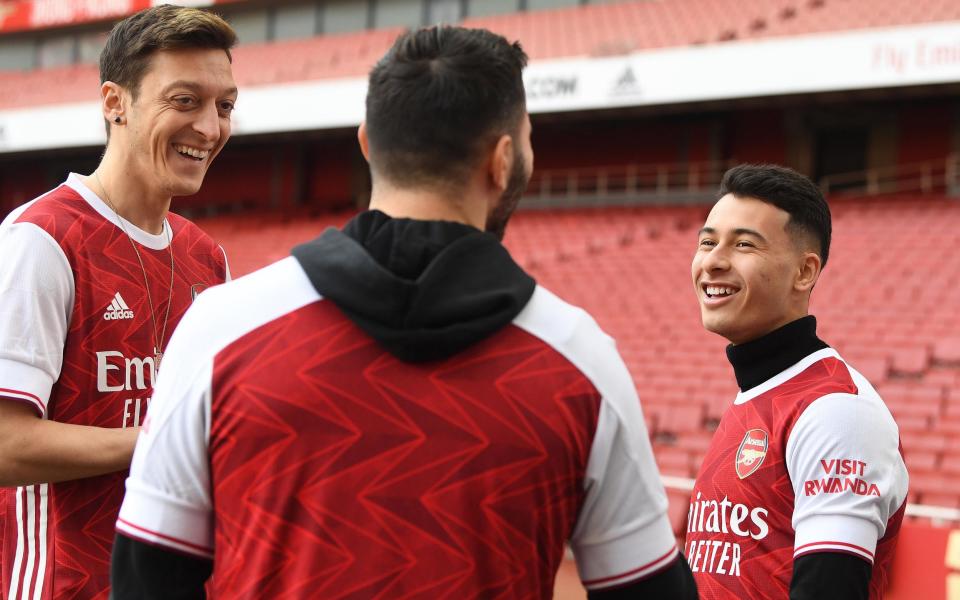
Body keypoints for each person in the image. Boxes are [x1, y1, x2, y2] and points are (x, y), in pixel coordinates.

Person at [111, 25, 697, 599]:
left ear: (367, 143)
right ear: (502, 161)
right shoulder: (583, 359)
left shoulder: (222, 327)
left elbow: (146, 575)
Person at [0, 5, 237, 598]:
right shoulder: (41, 239)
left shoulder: (208, 258)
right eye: (184, 101)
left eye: (224, 106)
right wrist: (167, 439)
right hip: (61, 584)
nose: (209, 128)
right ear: (115, 102)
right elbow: (6, 443)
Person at [686, 164, 908, 599]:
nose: (713, 261)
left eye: (744, 244)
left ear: (804, 272)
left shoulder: (835, 409)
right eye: (707, 242)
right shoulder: (758, 392)